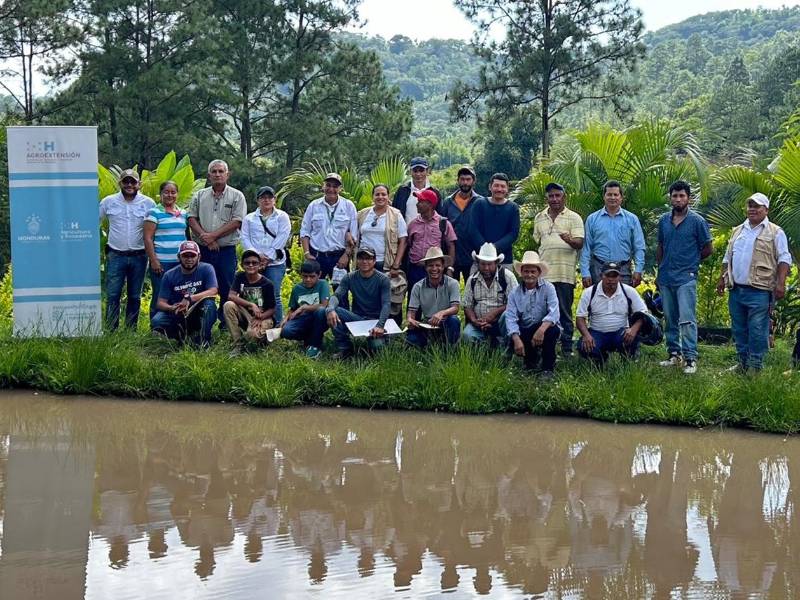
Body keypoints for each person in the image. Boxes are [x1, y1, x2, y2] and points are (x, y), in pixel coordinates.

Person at [716, 192, 792, 372]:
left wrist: (780, 284)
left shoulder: (776, 232)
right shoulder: (738, 230)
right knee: (739, 328)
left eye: (757, 206)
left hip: (760, 290)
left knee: (758, 330)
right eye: (750, 206)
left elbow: (784, 259)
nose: (752, 209)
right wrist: (721, 279)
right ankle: (742, 363)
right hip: (736, 289)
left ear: (766, 209)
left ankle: (755, 366)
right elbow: (728, 257)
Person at [656, 180, 713, 374]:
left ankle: (690, 358)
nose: (678, 199)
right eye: (675, 196)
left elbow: (708, 248)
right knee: (670, 318)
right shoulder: (664, 220)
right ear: (670, 198)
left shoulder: (697, 221)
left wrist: (692, 261)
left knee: (687, 319)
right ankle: (674, 354)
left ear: (688, 198)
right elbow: (661, 246)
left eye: (682, 196)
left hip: (686, 276)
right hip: (666, 276)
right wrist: (660, 269)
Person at [187, 160, 247, 327]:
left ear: (227, 174)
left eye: (221, 171)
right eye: (214, 171)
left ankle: (225, 324)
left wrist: (212, 236)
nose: (217, 174)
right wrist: (204, 237)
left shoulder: (237, 196)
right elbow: (191, 218)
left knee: (226, 286)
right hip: (203, 250)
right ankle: (199, 322)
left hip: (226, 250)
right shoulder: (199, 195)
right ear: (209, 175)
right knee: (201, 285)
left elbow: (237, 221)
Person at [99, 168, 156, 330]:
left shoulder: (148, 203)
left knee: (134, 296)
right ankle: (111, 330)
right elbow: (93, 222)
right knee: (112, 295)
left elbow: (154, 228)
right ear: (120, 183)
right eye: (126, 181)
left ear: (140, 184)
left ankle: (131, 330)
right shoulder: (108, 202)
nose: (129, 184)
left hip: (139, 256)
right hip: (115, 255)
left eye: (133, 181)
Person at [533, 182, 585, 355]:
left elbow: (580, 243)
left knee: (563, 311)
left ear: (564, 197)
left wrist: (569, 239)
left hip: (564, 274)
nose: (554, 199)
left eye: (558, 195)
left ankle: (567, 348)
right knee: (542, 310)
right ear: (546, 198)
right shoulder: (540, 217)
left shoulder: (574, 217)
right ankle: (544, 345)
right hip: (544, 274)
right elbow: (538, 242)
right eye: (551, 196)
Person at [576, 261, 650, 365]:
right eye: (608, 275)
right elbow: (580, 318)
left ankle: (627, 362)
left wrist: (633, 329)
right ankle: (599, 360)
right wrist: (586, 335)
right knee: (584, 346)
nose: (611, 279)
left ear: (619, 277)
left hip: (621, 333)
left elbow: (644, 313)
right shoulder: (589, 292)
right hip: (597, 332)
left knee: (632, 339)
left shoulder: (629, 291)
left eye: (614, 276)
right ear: (601, 276)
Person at [325, 247, 391, 359]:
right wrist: (330, 309)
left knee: (377, 348)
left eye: (368, 258)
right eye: (361, 258)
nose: (364, 262)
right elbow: (336, 295)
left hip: (376, 320)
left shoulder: (383, 279)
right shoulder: (349, 277)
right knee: (333, 311)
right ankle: (344, 348)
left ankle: (383, 339)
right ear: (357, 260)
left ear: (374, 261)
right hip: (358, 317)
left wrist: (380, 325)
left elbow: (386, 304)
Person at [151, 241, 218, 346]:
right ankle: (181, 338)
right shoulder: (169, 275)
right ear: (179, 257)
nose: (189, 259)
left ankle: (204, 340)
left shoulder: (207, 268)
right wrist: (172, 308)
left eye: (193, 255)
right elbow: (160, 303)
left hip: (198, 311)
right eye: (185, 256)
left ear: (199, 257)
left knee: (209, 305)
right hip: (177, 312)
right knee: (157, 320)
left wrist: (190, 298)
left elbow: (213, 290)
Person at [358, 183, 408, 323]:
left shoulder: (396, 214)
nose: (380, 197)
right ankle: (370, 327)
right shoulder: (362, 214)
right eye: (377, 194)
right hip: (366, 264)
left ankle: (393, 330)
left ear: (388, 196)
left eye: (383, 194)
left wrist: (396, 263)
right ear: (372, 196)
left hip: (387, 264)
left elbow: (403, 240)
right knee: (369, 298)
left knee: (391, 297)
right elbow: (356, 236)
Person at [241, 185, 291, 323]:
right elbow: (245, 238)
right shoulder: (249, 218)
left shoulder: (282, 216)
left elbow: (282, 237)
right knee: (255, 294)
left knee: (274, 294)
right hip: (253, 263)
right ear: (258, 200)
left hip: (275, 263)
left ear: (274, 200)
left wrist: (267, 258)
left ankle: (277, 325)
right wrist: (257, 258)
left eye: (270, 197)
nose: (266, 200)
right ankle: (255, 323)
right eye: (263, 197)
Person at [580, 180, 646, 287]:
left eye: (616, 194)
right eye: (609, 194)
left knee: (623, 302)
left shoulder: (632, 219)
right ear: (604, 196)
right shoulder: (592, 219)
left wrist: (638, 270)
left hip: (623, 270)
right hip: (598, 269)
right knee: (598, 302)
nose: (612, 197)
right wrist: (585, 272)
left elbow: (639, 247)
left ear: (621, 197)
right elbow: (586, 248)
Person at [505, 251, 560, 377]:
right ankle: (530, 362)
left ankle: (548, 368)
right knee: (529, 363)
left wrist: (541, 330)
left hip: (544, 327)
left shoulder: (549, 288)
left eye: (533, 271)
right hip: (525, 328)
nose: (529, 274)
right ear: (521, 273)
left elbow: (554, 312)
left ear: (539, 273)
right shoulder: (514, 293)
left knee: (553, 330)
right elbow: (510, 318)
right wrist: (516, 338)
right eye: (526, 271)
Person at [300, 172, 358, 280]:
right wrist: (307, 253)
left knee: (341, 294)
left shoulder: (348, 206)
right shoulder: (313, 206)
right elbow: (305, 232)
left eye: (335, 186)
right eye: (328, 185)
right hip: (316, 257)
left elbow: (354, 235)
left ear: (340, 188)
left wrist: (346, 256)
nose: (331, 189)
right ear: (323, 186)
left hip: (339, 257)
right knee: (313, 294)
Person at [144, 180, 188, 319]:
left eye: (173, 192)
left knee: (178, 294)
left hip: (180, 264)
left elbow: (187, 237)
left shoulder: (183, 213)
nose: (170, 195)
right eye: (166, 192)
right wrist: (154, 260)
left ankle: (174, 327)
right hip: (161, 263)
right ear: (160, 194)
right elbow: (147, 238)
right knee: (160, 295)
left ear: (177, 194)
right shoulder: (154, 212)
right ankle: (156, 327)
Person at [462, 243, 518, 346]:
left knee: (507, 316)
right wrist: (474, 321)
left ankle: (507, 350)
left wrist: (495, 313)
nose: (486, 268)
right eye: (483, 264)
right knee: (467, 335)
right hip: (479, 323)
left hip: (501, 323)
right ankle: (484, 351)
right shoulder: (472, 279)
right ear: (478, 263)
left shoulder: (507, 277)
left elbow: (515, 303)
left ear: (496, 263)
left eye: (489, 264)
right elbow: (467, 305)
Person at [223, 250, 276, 354]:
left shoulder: (267, 284)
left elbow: (273, 309)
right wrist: (251, 304)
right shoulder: (240, 277)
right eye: (247, 263)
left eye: (254, 263)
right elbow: (231, 295)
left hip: (263, 317)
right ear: (242, 265)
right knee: (228, 305)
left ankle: (264, 339)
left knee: (251, 336)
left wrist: (260, 317)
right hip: (245, 314)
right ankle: (238, 344)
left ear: (260, 265)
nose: (251, 265)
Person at [406, 247, 461, 348]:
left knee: (454, 321)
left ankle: (450, 349)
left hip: (446, 322)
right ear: (426, 267)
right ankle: (430, 345)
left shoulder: (453, 283)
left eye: (438, 265)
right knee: (411, 339)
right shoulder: (418, 286)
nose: (434, 269)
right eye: (431, 265)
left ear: (443, 266)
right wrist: (410, 319)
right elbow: (411, 312)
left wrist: (441, 313)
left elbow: (456, 308)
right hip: (427, 324)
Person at [439, 166, 486, 283]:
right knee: (450, 289)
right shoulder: (448, 202)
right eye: (462, 179)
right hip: (452, 254)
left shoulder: (481, 202)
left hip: (473, 255)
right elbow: (442, 228)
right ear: (458, 180)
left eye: (468, 179)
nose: (465, 182)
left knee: (474, 288)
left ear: (474, 181)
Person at [405, 189, 457, 294]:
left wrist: (449, 267)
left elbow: (451, 246)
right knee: (415, 299)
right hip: (416, 269)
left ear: (429, 204)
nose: (417, 204)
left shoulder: (443, 223)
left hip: (435, 270)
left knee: (436, 299)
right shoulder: (413, 224)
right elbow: (409, 244)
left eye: (420, 202)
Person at [280, 260, 331, 359]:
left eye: (312, 277)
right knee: (286, 331)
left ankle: (315, 345)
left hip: (319, 318)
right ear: (301, 275)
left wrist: (303, 307)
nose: (308, 279)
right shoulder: (297, 288)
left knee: (320, 311)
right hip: (303, 319)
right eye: (305, 276)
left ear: (319, 274)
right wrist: (286, 318)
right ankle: (308, 338)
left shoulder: (322, 284)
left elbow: (324, 305)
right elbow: (292, 308)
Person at [474, 173, 520, 267]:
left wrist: (494, 247)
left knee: (505, 281)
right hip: (481, 258)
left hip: (504, 259)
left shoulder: (513, 208)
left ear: (507, 189)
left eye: (503, 186)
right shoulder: (479, 204)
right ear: (490, 187)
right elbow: (472, 229)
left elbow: (513, 233)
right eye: (496, 186)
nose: (499, 189)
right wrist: (485, 248)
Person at [392, 157, 443, 224]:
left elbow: (440, 214)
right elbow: (394, 212)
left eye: (421, 170)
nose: (418, 174)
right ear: (410, 171)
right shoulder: (402, 191)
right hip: (405, 233)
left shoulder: (435, 192)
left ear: (427, 171)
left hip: (428, 233)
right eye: (415, 170)